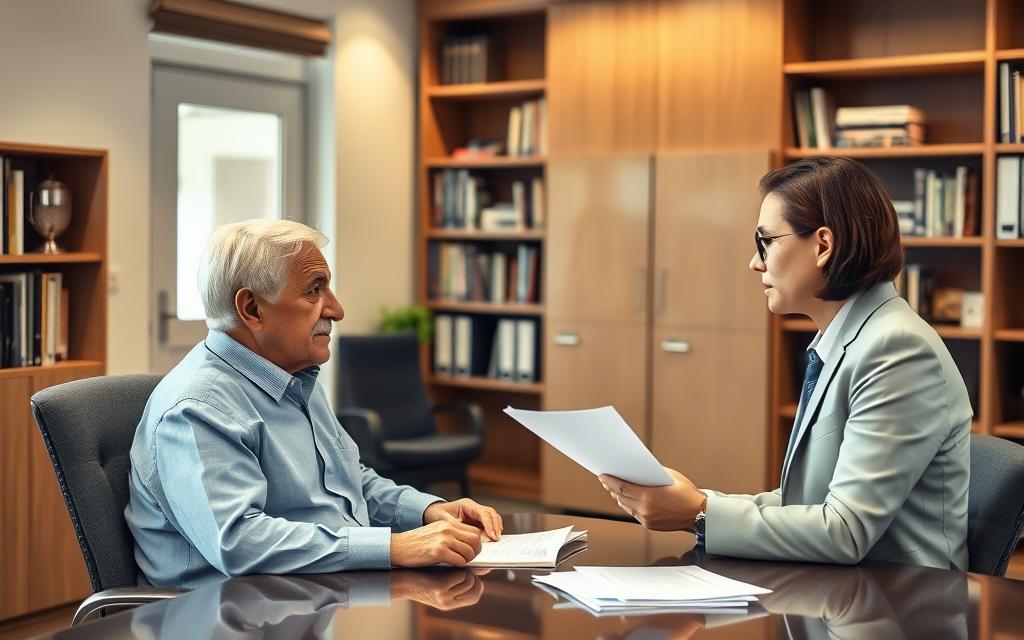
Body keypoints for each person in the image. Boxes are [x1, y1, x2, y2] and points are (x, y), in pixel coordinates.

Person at [600, 156, 971, 569]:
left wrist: (699, 513)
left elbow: (844, 531)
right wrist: (697, 506)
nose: (755, 262)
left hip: (901, 608)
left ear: (823, 246)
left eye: (767, 242)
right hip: (841, 592)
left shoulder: (897, 349)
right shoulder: (848, 338)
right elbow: (808, 504)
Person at [126, 219, 502, 589]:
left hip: (316, 595)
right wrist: (391, 547)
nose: (336, 310)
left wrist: (426, 511)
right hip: (232, 616)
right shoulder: (197, 408)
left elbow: (349, 483)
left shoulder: (294, 377)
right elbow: (239, 541)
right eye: (314, 291)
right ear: (252, 309)